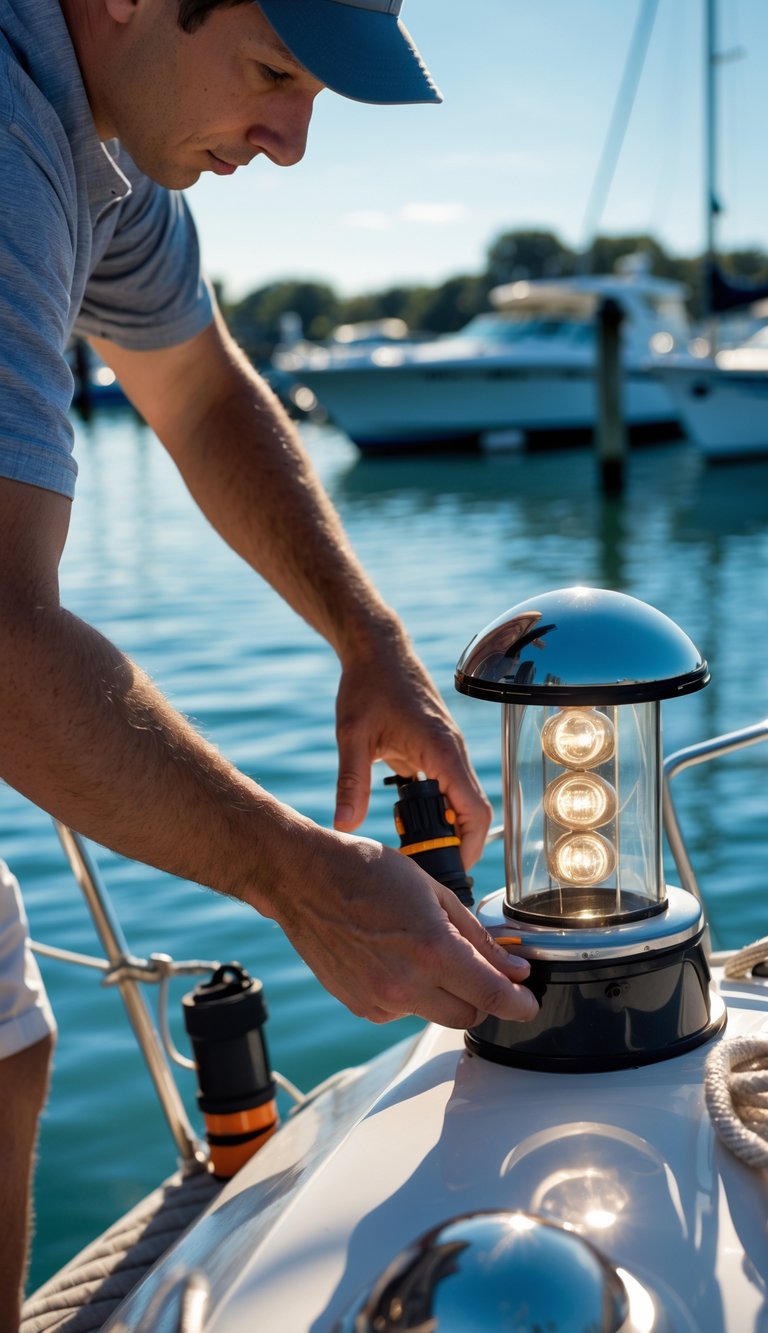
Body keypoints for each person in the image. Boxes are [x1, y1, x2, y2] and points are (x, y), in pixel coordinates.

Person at [0, 0, 538, 1322]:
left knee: (6, 1049)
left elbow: (195, 386)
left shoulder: (107, 143)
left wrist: (373, 642)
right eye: (273, 72)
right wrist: (299, 876)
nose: (292, 142)